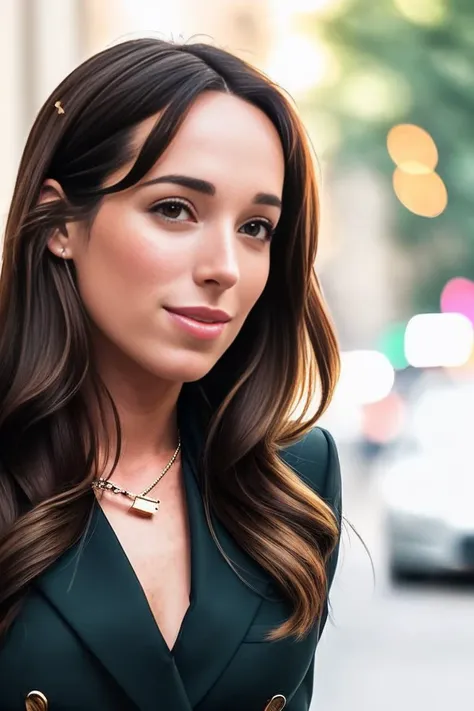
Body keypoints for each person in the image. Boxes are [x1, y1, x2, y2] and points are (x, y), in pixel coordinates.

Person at [0, 37, 342, 711]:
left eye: (256, 226)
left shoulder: (294, 478)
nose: (225, 266)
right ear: (60, 221)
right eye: (175, 209)